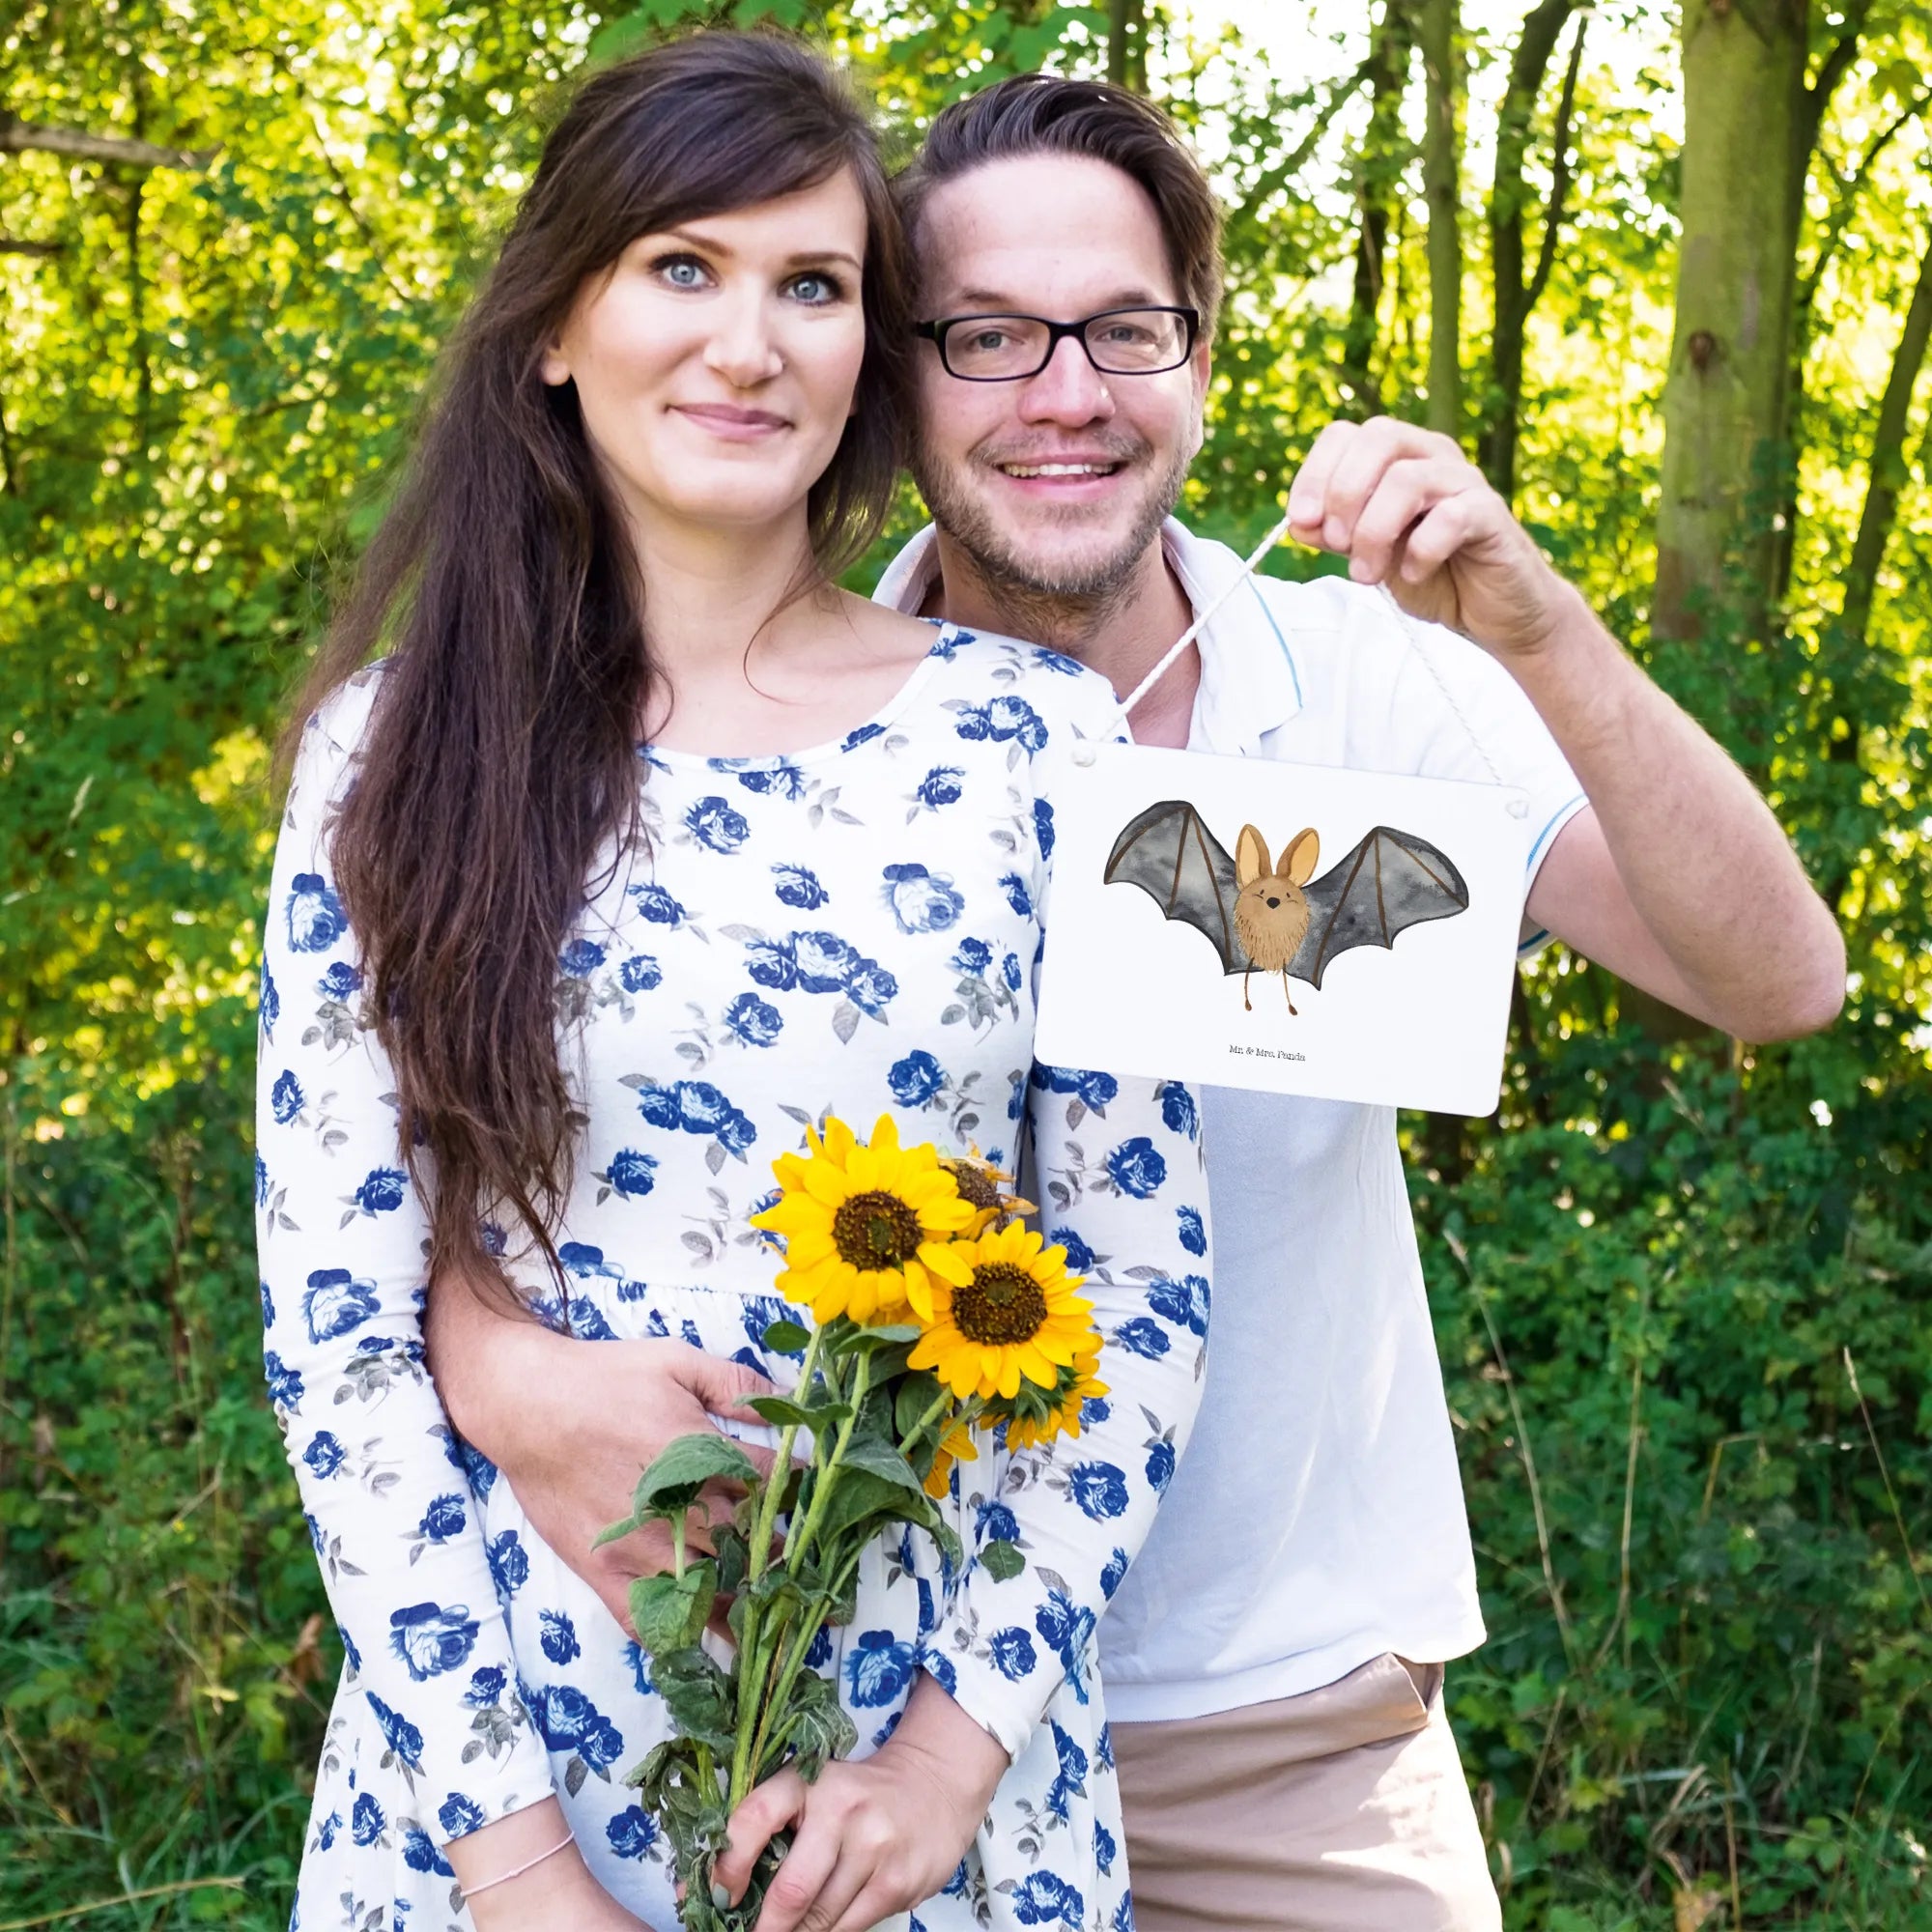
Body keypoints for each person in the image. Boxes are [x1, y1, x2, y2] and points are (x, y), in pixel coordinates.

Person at [427, 69, 1845, 1932]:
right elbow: (539, 1162)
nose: (1067, 393)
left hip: (1280, 1731)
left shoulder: (1358, 672)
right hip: (862, 1704)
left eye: (1124, 328)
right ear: (894, 373)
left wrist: (1530, 620)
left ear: (1200, 353)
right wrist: (487, 1350)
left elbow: (1776, 980)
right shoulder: (773, 719)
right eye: (991, 336)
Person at [257, 39, 1208, 1932]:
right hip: (503, 1771)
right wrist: (522, 1877)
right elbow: (339, 1337)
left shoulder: (1040, 743)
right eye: (681, 267)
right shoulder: (396, 754)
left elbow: (1140, 1286)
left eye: (814, 286)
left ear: (869, 355)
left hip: (921, 1786)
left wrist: (942, 1763)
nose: (749, 343)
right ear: (556, 324)